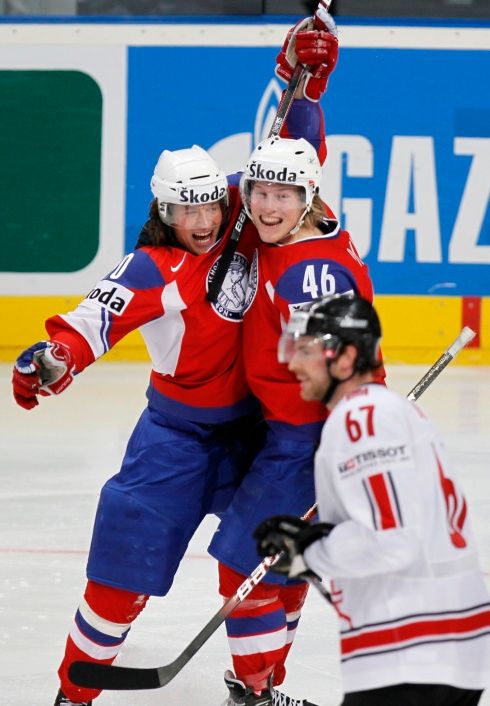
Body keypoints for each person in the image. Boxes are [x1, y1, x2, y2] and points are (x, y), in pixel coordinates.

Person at [11, 13, 339, 706]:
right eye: (184, 210)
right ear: (162, 210)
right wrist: (51, 358)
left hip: (257, 434)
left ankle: (255, 688)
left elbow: (286, 156)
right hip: (177, 440)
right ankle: (75, 695)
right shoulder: (152, 268)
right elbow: (91, 322)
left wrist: (304, 84)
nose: (202, 222)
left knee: (272, 562)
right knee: (118, 575)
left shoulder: (241, 210)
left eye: (207, 206)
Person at [208, 136, 385, 706]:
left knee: (245, 562)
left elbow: (345, 366)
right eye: (259, 189)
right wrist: (303, 83)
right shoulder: (316, 222)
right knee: (282, 562)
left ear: (307, 197)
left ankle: (255, 692)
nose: (264, 205)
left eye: (282, 193)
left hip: (307, 439)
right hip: (287, 430)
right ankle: (259, 682)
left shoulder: (309, 274)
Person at [255, 293, 490, 706]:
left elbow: (390, 540)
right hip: (448, 644)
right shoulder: (392, 413)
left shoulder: (359, 418)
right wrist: (321, 537)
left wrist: (310, 551)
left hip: (410, 647)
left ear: (345, 359)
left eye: (307, 351)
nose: (293, 363)